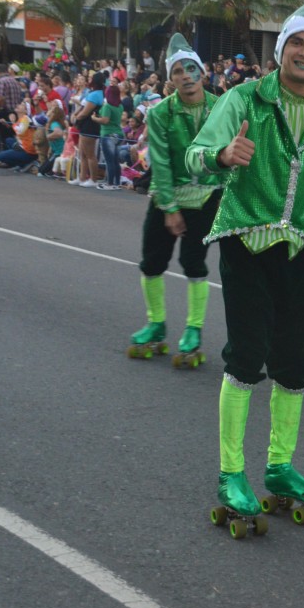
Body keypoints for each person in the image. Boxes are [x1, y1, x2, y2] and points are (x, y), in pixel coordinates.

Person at [186, 2, 304, 536]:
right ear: (281, 49)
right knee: (247, 357)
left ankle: (279, 468)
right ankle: (230, 473)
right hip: (243, 241)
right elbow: (195, 153)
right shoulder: (245, 99)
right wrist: (221, 157)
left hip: (295, 248)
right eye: (298, 43)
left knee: (294, 361)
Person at [128, 34, 224, 368]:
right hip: (167, 193)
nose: (185, 75)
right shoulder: (160, 114)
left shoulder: (221, 107)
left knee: (193, 262)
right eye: (178, 71)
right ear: (170, 78)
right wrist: (169, 208)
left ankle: (193, 330)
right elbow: (162, 163)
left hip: (208, 194)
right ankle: (156, 323)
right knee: (151, 260)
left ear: (202, 71)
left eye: (190, 68)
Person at [92, 85, 125, 190]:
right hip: (118, 134)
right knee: (115, 160)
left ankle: (110, 183)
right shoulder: (120, 106)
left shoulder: (107, 106)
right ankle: (117, 182)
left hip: (108, 134)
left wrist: (94, 118)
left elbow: (105, 120)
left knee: (109, 160)